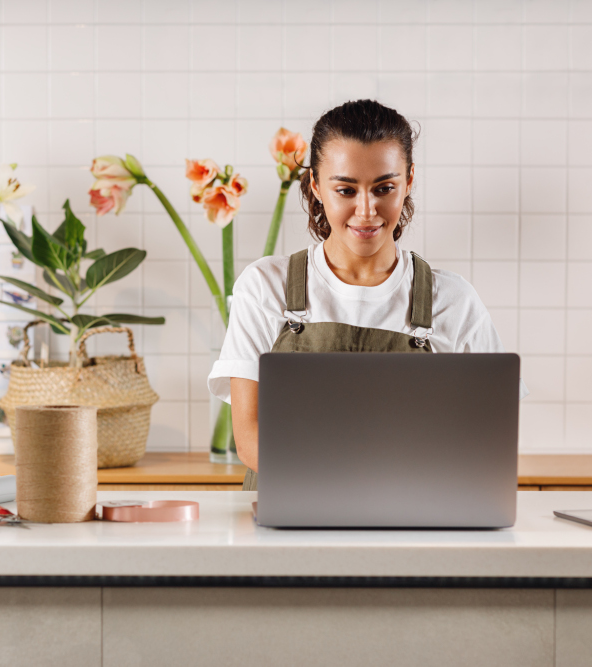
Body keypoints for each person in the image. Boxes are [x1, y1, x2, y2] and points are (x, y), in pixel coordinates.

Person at [207, 99, 527, 491]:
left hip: (412, 521)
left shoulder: (454, 300)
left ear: (409, 180)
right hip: (287, 522)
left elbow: (488, 439)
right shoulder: (265, 286)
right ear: (315, 185)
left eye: (384, 188)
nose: (366, 211)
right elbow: (250, 438)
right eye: (345, 189)